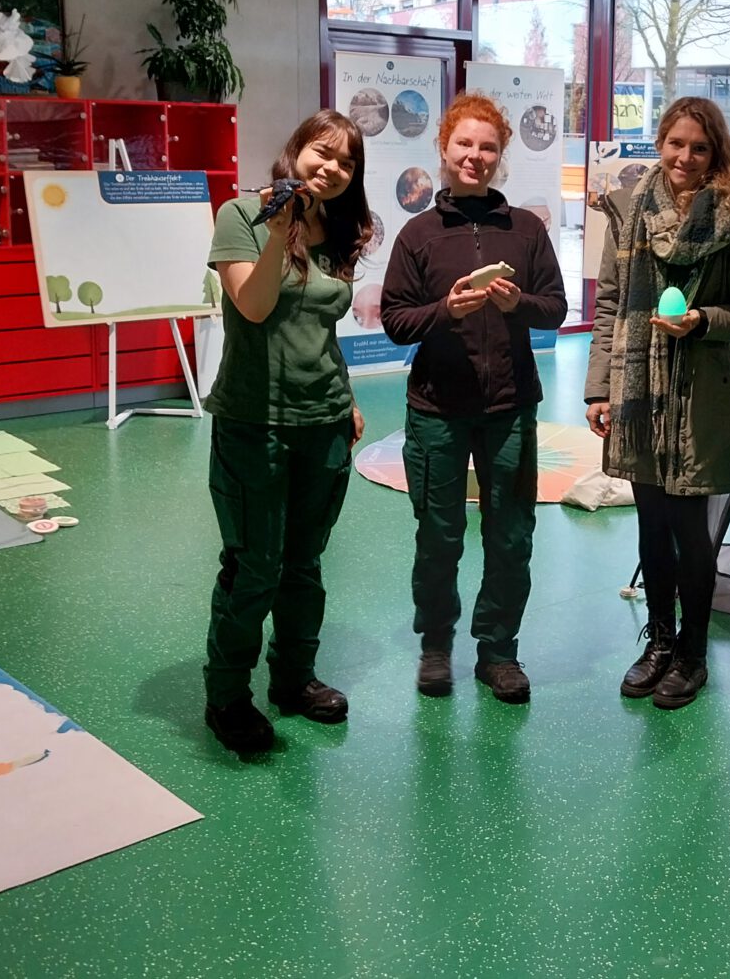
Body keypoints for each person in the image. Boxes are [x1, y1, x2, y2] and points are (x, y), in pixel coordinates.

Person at [380, 93, 568, 704]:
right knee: (439, 534)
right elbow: (395, 320)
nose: (475, 156)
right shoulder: (418, 235)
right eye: (464, 144)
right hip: (437, 409)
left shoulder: (527, 229)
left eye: (487, 146)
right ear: (444, 148)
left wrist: (519, 305)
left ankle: (499, 652)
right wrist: (444, 310)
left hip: (510, 407)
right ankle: (436, 647)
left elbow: (558, 308)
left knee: (511, 534)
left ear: (500, 155)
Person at [586, 97, 730, 709]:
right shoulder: (629, 209)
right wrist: (600, 388)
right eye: (675, 144)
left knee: (691, 530)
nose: (684, 157)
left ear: (715, 153)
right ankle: (659, 643)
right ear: (659, 145)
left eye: (698, 147)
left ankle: (693, 651)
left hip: (701, 397)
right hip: (638, 392)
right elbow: (611, 304)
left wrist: (702, 320)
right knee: (651, 525)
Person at [200, 111, 373, 754]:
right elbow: (255, 305)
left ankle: (293, 681)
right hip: (254, 422)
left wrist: (346, 397)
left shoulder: (339, 229)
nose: (330, 168)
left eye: (345, 162)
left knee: (303, 565)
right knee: (254, 567)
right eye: (320, 154)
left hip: (323, 421)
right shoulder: (240, 216)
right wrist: (280, 234)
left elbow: (322, 329)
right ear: (293, 151)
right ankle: (227, 699)